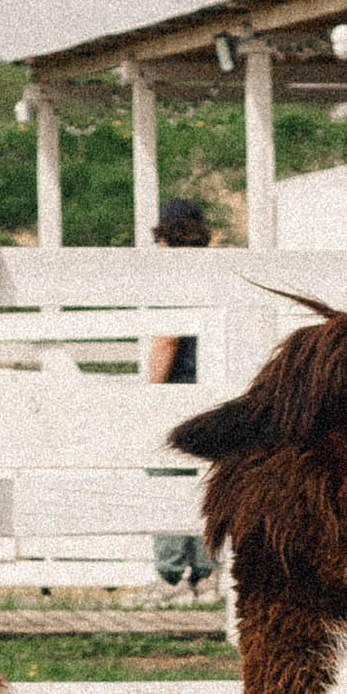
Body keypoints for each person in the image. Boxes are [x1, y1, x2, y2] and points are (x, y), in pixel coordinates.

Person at [146, 193, 216, 589]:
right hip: (211, 383)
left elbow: (166, 341)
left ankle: (169, 574)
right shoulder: (211, 275)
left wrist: (151, 391)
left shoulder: (171, 276)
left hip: (176, 387)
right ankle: (205, 572)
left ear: (164, 237)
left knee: (165, 474)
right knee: (205, 476)